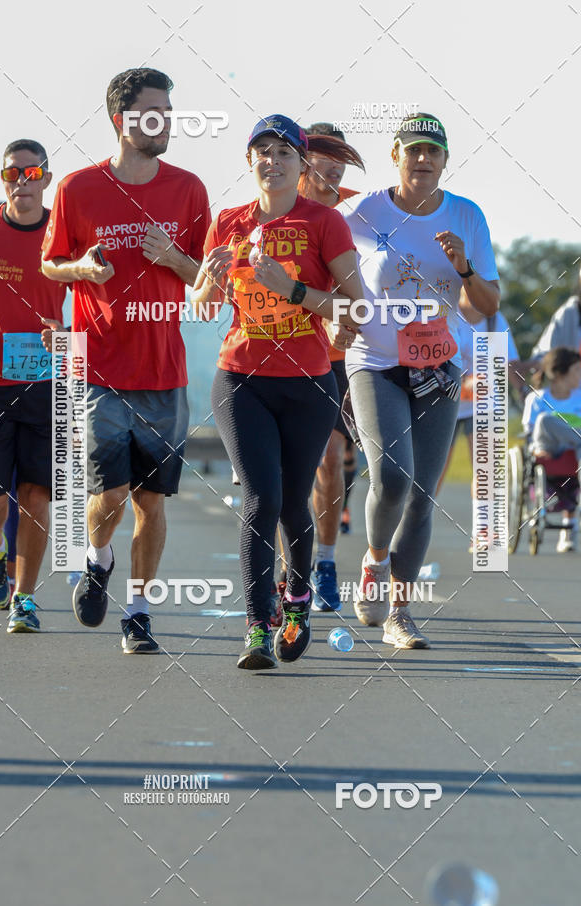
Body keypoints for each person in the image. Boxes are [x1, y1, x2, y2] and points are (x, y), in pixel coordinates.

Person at [41, 68, 210, 654]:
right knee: (109, 496)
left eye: (168, 111)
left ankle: (137, 612)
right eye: (151, 113)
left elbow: (207, 282)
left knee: (150, 500)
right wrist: (82, 270)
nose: (164, 122)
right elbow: (50, 264)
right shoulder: (76, 189)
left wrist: (176, 259)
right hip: (98, 368)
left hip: (164, 369)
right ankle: (96, 558)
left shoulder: (188, 189)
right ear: (121, 120)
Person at [192, 114, 363, 670]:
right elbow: (203, 307)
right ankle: (257, 626)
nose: (273, 160)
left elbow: (354, 308)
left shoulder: (323, 223)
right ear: (249, 163)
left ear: (302, 163)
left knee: (294, 502)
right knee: (262, 497)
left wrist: (288, 288)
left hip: (309, 381)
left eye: (284, 152)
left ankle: (298, 597)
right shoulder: (229, 222)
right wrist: (208, 279)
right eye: (262, 151)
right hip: (241, 378)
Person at [340, 112, 500, 647]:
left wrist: (463, 269)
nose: (423, 160)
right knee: (392, 477)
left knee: (423, 494)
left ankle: (400, 613)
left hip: (439, 365)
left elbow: (486, 307)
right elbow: (319, 257)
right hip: (375, 360)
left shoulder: (466, 216)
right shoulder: (360, 212)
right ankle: (373, 562)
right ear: (396, 155)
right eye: (413, 150)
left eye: (433, 151)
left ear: (445, 160)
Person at [0, 139, 66, 631]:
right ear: (3, 179)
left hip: (45, 383)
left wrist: (69, 338)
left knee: (36, 496)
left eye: (32, 174)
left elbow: (99, 307)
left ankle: (25, 599)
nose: (23, 182)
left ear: (46, 179)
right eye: (14, 174)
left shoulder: (63, 235)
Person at [298, 127, 365, 611]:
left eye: (342, 158)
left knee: (329, 457)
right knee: (282, 476)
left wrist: (350, 320)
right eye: (325, 157)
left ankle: (323, 561)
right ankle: (292, 567)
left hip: (336, 357)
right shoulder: (276, 202)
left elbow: (370, 278)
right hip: (275, 352)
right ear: (303, 160)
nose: (336, 167)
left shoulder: (359, 208)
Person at [436, 288, 522, 551]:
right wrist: (464, 381)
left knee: (483, 469)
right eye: (468, 283)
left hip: (484, 404)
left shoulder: (495, 320)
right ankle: (410, 524)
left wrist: (525, 394)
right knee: (433, 474)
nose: (474, 289)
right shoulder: (444, 315)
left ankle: (483, 531)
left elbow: (509, 366)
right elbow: (432, 361)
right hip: (446, 401)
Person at [522, 347, 581, 552]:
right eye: (577, 370)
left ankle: (568, 534)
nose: (580, 375)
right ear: (560, 373)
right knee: (545, 420)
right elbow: (530, 432)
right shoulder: (537, 398)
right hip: (547, 450)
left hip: (574, 453)